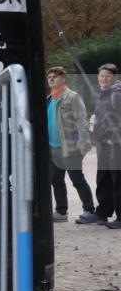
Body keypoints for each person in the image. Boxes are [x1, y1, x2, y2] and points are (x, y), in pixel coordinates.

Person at [45, 67, 95, 222]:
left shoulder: (73, 97)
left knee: (77, 179)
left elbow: (81, 121)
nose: (51, 79)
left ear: (63, 79)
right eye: (49, 77)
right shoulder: (48, 99)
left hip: (71, 147)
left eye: (55, 76)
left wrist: (84, 142)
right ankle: (61, 212)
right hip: (53, 148)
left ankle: (89, 210)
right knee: (56, 180)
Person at [78, 63, 121, 229]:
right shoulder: (101, 94)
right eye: (101, 76)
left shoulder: (117, 94)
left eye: (108, 76)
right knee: (103, 179)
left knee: (118, 181)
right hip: (104, 144)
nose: (104, 79)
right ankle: (102, 213)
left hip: (116, 144)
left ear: (115, 77)